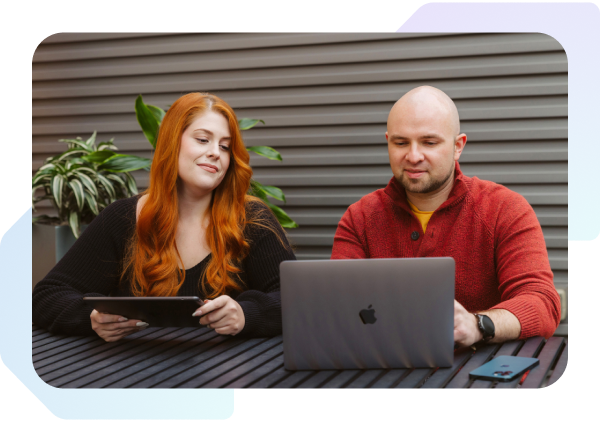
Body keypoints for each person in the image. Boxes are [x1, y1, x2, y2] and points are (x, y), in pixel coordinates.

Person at [32, 92, 295, 342]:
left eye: (225, 146)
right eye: (203, 140)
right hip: (135, 377)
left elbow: (297, 299)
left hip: (229, 377)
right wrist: (91, 318)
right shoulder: (122, 219)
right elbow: (47, 296)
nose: (216, 152)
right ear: (172, 142)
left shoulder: (252, 219)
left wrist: (247, 315)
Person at [331, 86, 561, 348]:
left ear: (457, 146)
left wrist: (477, 325)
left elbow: (542, 303)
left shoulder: (505, 209)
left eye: (429, 142)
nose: (413, 156)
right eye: (400, 143)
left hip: (479, 372)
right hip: (383, 368)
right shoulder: (359, 217)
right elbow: (338, 306)